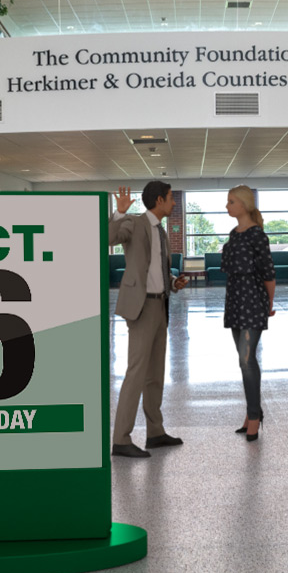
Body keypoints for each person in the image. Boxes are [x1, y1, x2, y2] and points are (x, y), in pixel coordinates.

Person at [110, 181, 190, 458]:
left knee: (155, 374)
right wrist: (119, 213)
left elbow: (154, 269)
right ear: (158, 200)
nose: (174, 202)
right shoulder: (134, 222)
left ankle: (155, 432)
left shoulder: (161, 230)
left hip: (160, 304)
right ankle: (121, 438)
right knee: (136, 372)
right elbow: (110, 238)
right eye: (170, 198)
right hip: (141, 307)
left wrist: (172, 281)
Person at [221, 185, 276, 442]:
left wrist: (269, 304)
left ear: (243, 205)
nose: (227, 206)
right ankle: (252, 412)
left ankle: (254, 417)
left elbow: (268, 274)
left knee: (246, 359)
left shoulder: (258, 236)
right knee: (244, 361)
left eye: (231, 202)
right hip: (234, 302)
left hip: (253, 303)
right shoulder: (234, 234)